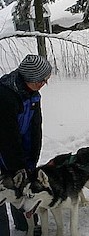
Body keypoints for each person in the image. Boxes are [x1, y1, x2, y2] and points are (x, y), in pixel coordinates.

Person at [0, 54, 52, 236]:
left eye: (46, 79)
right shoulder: (5, 96)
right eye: (42, 80)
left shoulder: (32, 95)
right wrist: (16, 167)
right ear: (29, 78)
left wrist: (30, 161)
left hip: (15, 149)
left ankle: (27, 226)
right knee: (2, 192)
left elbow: (34, 130)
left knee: (23, 188)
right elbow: (7, 138)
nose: (44, 83)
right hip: (4, 148)